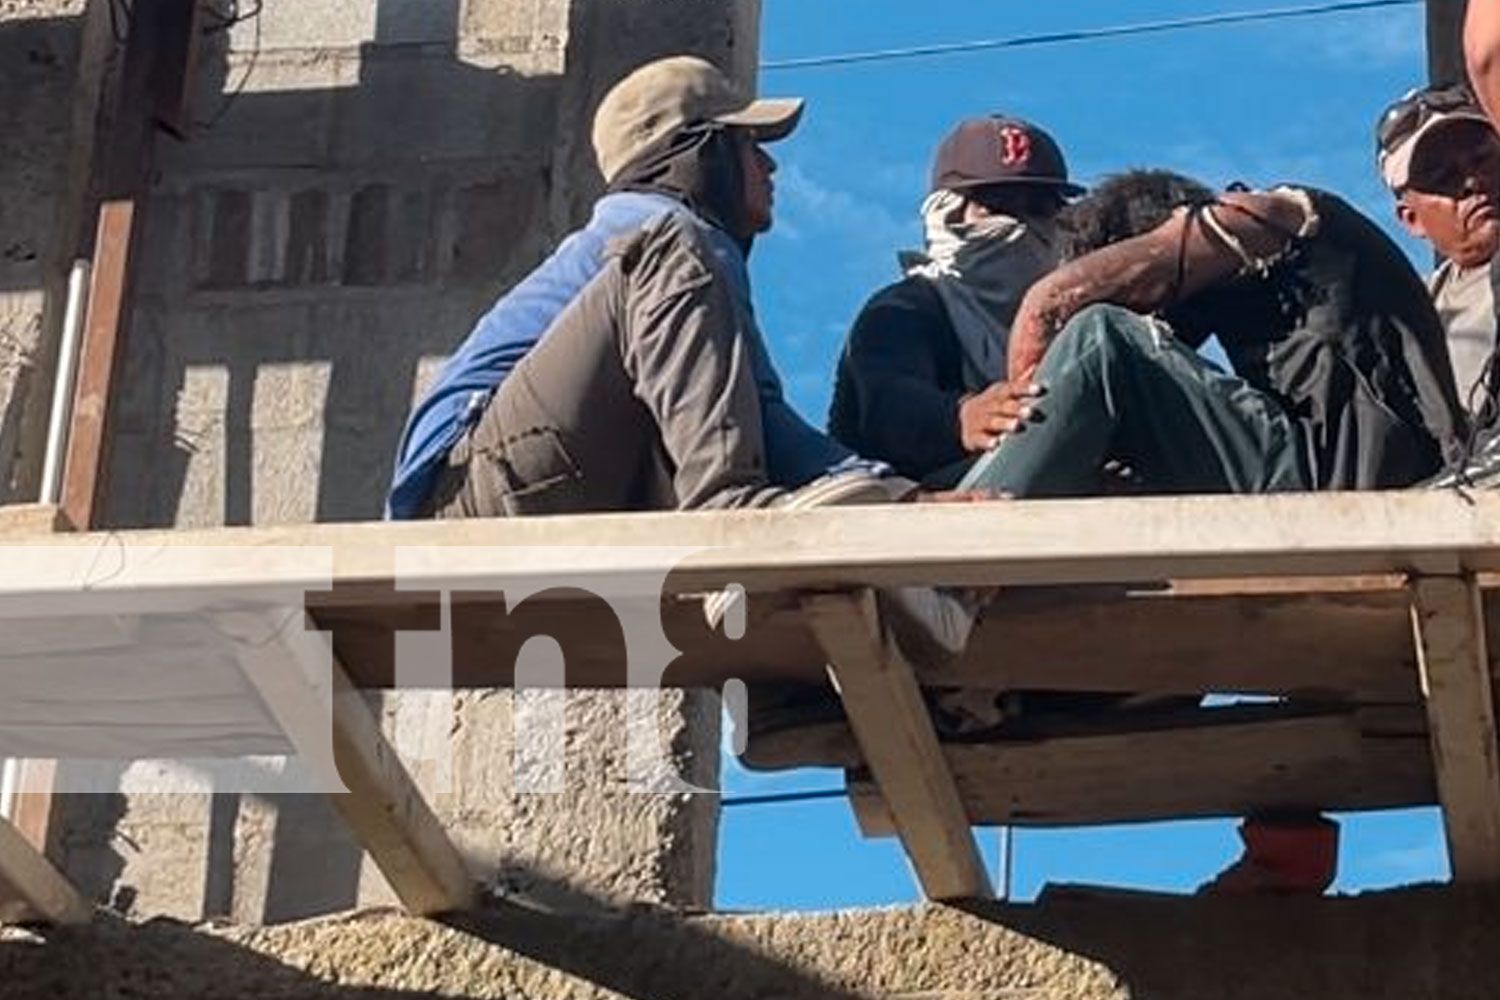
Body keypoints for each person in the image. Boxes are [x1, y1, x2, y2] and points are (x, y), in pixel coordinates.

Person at [388, 55, 918, 520]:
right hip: (465, 491)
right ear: (700, 153)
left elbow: (757, 414)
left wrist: (897, 496)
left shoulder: (672, 270)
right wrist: (898, 497)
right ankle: (727, 509)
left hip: (523, 480)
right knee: (673, 248)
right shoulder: (662, 236)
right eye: (750, 143)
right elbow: (767, 426)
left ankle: (727, 508)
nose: (769, 164)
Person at [956, 170, 1467, 501]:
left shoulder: (1292, 219)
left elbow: (1048, 304)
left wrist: (1027, 394)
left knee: (1098, 337)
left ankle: (960, 554)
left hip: (1356, 486)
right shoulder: (1262, 313)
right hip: (1334, 488)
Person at [828, 116, 1079, 487]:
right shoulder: (904, 309)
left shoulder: (1072, 330)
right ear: (946, 217)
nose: (1019, 226)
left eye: (1038, 209)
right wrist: (960, 417)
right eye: (995, 207)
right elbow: (887, 407)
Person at [1376, 83, 1500, 412]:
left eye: (1482, 158)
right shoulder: (1413, 317)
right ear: (1412, 220)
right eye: (1444, 177)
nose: (1472, 181)